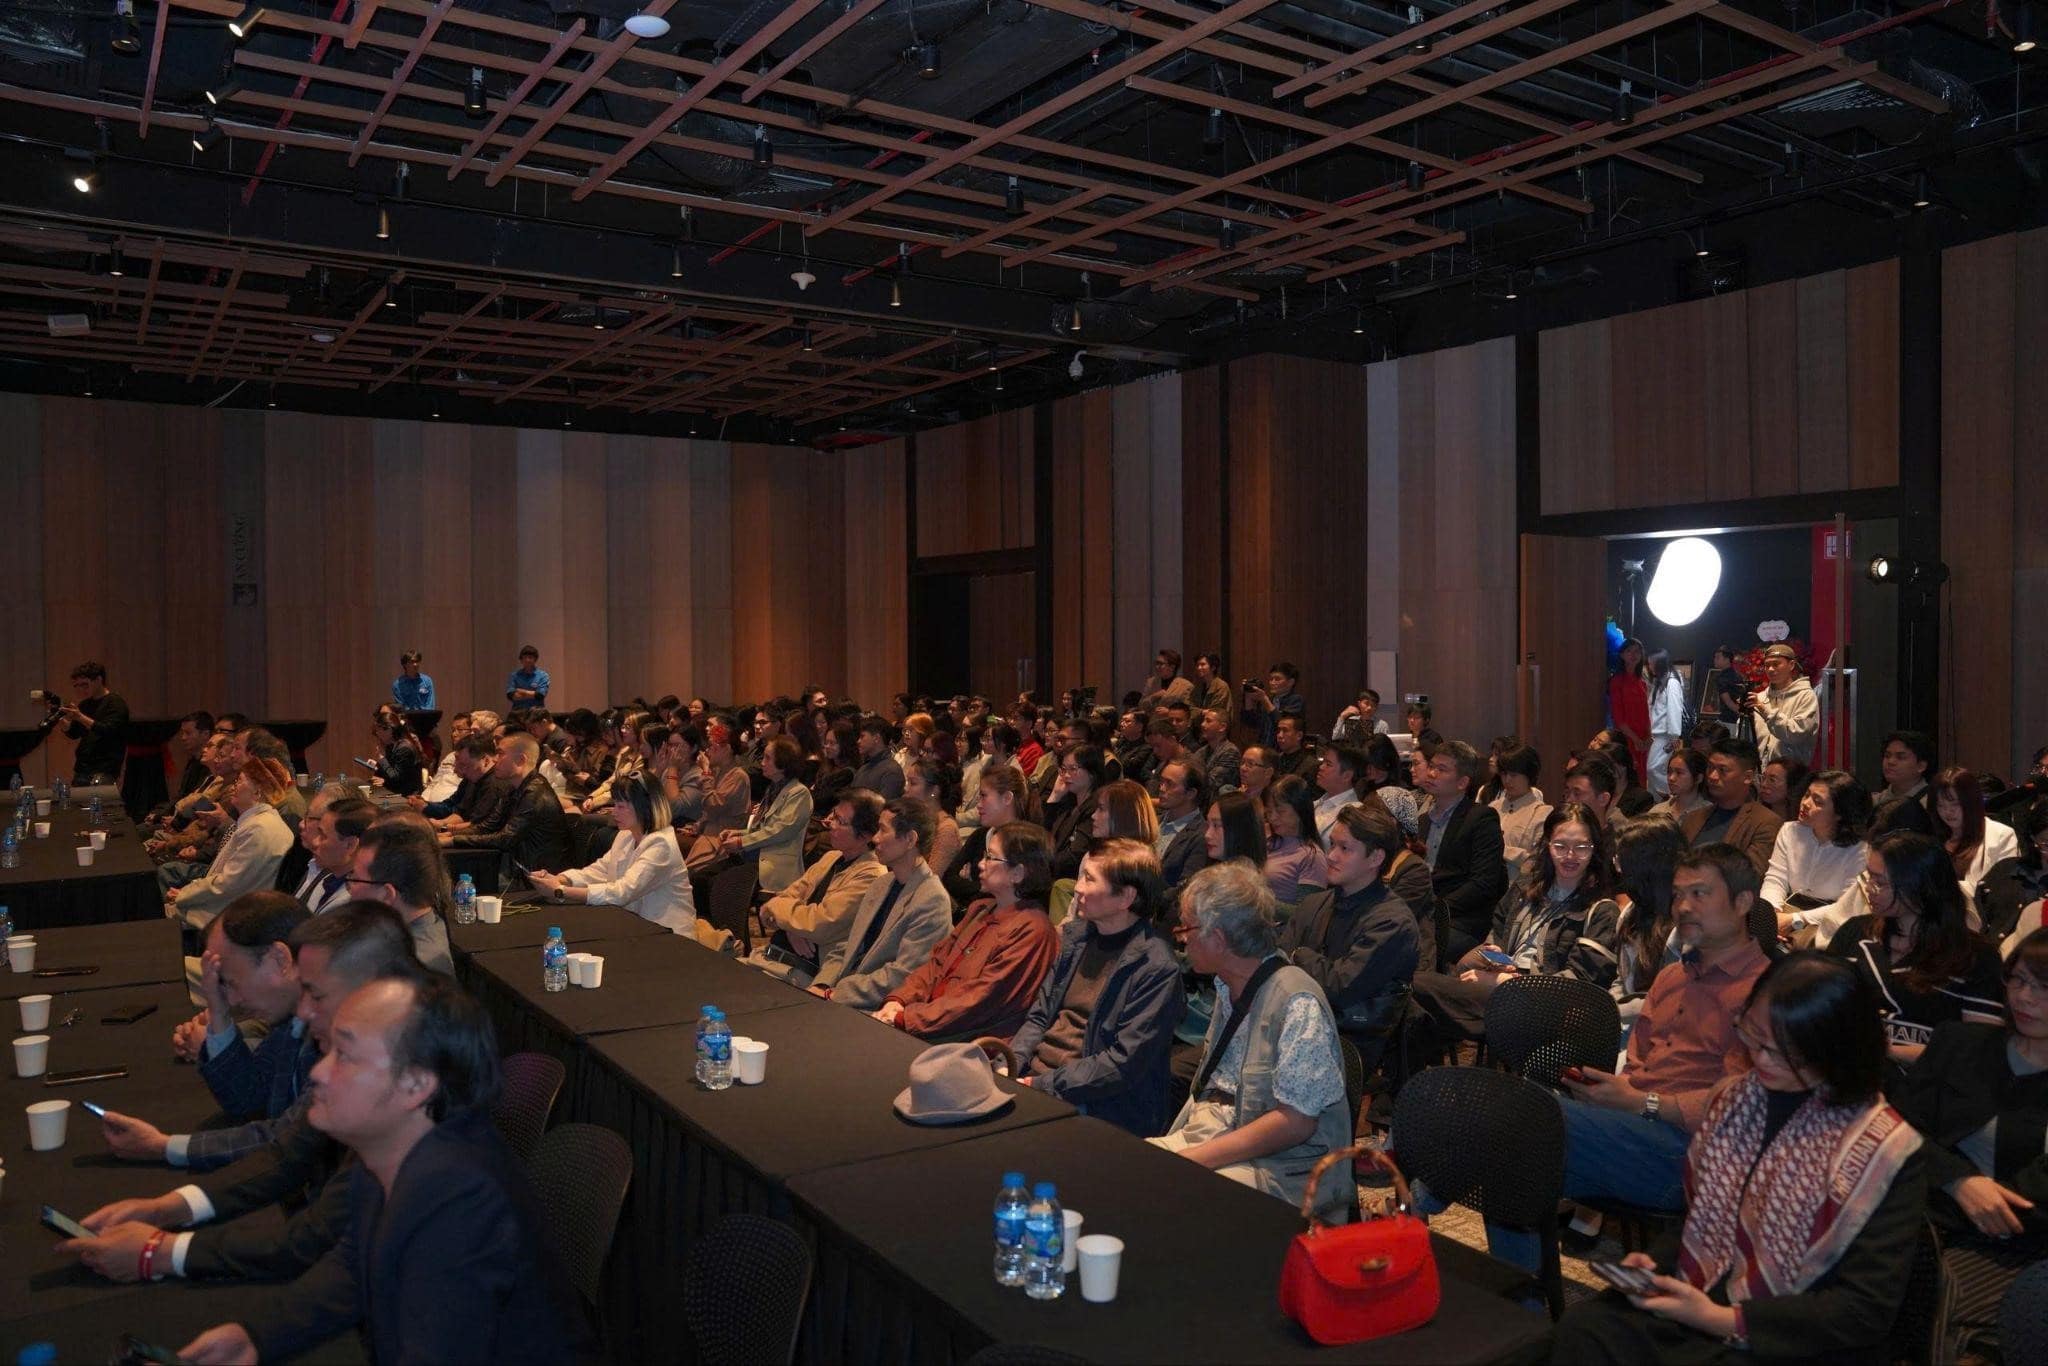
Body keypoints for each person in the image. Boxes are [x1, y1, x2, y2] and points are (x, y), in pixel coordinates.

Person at [174, 974, 595, 1366]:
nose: (319, 1072)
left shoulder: (461, 1203)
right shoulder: (392, 1149)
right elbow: (352, 1266)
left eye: (344, 1056)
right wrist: (256, 1337)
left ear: (416, 1084)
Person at [1550, 952, 1927, 1366]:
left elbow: (1863, 1310)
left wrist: (1724, 1319)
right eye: (1753, 1037)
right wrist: (1655, 1265)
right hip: (1708, 1296)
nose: (1760, 1059)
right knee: (1587, 1331)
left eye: (1783, 1052)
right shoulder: (1739, 1100)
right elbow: (1704, 1219)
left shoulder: (1883, 1149)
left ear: (1836, 1053)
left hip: (1791, 1332)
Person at [1425, 845, 1772, 1276]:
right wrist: (1611, 1091)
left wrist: (1643, 1103)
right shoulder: (1671, 977)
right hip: (1630, 1131)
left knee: (1522, 1115)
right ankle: (1521, 1297)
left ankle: (1420, 1198)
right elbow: (1639, 1069)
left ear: (1743, 902)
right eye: (1678, 895)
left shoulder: (1767, 993)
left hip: (1693, 1157)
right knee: (1513, 1154)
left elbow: (1745, 1107)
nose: (1683, 906)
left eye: (1700, 894)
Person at [66, 903, 424, 1284]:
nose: (303, 1011)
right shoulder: (361, 1047)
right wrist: (162, 1209)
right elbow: (283, 1149)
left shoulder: (406, 1092)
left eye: (316, 995)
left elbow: (311, 1238)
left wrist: (162, 1251)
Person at [1153, 862, 1356, 1218]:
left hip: (1287, 1169)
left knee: (1173, 1200)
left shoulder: (1296, 1002)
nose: (1181, 938)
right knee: (1127, 1169)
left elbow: (1296, 1123)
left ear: (1218, 939)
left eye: (1185, 928)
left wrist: (1194, 1159)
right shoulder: (1228, 984)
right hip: (1224, 1129)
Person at [1891, 928, 2048, 1359]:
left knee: (1940, 1305)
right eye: (2018, 980)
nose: (2024, 997)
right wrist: (1957, 1181)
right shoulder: (1959, 1043)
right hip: (1922, 1215)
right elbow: (1894, 1129)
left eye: (2043, 987)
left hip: (2017, 1245)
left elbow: (2031, 1201)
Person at [1012, 839, 1186, 1135]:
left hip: (1094, 1104)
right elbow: (1040, 1016)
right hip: (1039, 1082)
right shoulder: (1077, 939)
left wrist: (1040, 1085)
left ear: (1126, 897)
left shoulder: (1156, 968)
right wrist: (1011, 1064)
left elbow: (1120, 1064)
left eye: (1089, 879)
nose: (1078, 888)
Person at [1411, 804, 1621, 1042]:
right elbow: (1499, 929)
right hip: (1502, 990)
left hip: (1544, 1009)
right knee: (1414, 996)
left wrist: (1506, 982)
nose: (1570, 856)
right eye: (1560, 846)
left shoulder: (1601, 911)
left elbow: (1578, 984)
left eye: (1581, 847)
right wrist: (1493, 960)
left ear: (1594, 849)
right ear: (1548, 845)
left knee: (1418, 990)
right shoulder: (1526, 888)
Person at [1824, 831, 2004, 1068]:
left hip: (1927, 1083)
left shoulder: (1975, 957)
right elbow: (1820, 1010)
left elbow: (1980, 1052)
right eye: (1868, 877)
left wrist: (1888, 1051)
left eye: (1880, 882)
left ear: (1920, 887)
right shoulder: (1855, 933)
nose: (1869, 888)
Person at [877, 821, 1060, 1041]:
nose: (981, 864)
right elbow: (936, 965)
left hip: (969, 1043)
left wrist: (906, 1018)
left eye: (991, 858)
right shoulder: (981, 909)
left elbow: (981, 1000)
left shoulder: (1033, 931)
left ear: (1018, 873)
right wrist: (899, 1001)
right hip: (927, 1024)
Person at [1278, 801, 1418, 1049]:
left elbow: (1340, 987)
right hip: (1294, 1024)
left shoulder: (1393, 923)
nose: (1331, 856)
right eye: (1332, 844)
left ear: (1375, 857)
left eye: (1344, 848)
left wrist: (1299, 955)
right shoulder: (1314, 904)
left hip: (1348, 1041)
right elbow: (1278, 962)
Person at [810, 798, 952, 1009]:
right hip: (842, 993)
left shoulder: (932, 900)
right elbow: (848, 946)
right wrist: (823, 983)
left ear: (910, 839)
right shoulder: (881, 884)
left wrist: (837, 993)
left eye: (883, 830)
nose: (875, 838)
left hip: (875, 1008)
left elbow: (903, 975)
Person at [526, 775, 693, 936]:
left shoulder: (661, 843)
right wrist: (559, 879)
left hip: (671, 936)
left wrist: (560, 891)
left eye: (621, 806)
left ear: (644, 807)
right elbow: (599, 871)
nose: (614, 812)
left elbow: (622, 892)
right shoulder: (626, 835)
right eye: (615, 805)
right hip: (640, 928)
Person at [751, 790, 888, 980]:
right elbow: (779, 901)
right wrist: (792, 928)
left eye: (840, 821)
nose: (831, 824)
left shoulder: (871, 875)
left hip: (802, 973)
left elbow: (819, 924)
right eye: (833, 815)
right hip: (769, 957)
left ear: (865, 835)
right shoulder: (831, 857)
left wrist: (785, 917)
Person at [165, 758, 298, 933]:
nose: (234, 786)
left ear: (257, 792)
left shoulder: (259, 829)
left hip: (236, 917)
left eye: (240, 781)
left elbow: (229, 884)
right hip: (237, 905)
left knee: (162, 916)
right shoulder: (259, 822)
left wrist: (185, 894)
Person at [1416, 739, 1510, 962]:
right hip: (1423, 914)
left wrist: (1438, 910)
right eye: (1431, 766)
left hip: (1461, 920)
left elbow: (1483, 883)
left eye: (1442, 769)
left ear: (1462, 782)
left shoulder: (1481, 818)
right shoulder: (1422, 821)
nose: (1431, 773)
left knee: (1412, 948)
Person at [443, 733, 571, 884]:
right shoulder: (513, 788)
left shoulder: (535, 793)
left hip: (535, 878)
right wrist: (448, 836)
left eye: (500, 753)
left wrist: (453, 840)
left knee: (459, 875)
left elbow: (505, 839)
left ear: (520, 760)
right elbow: (488, 826)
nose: (494, 759)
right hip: (515, 869)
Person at [350, 818, 455, 974]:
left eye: (354, 880)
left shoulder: (404, 972)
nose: (349, 889)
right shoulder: (408, 930)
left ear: (387, 894)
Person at [1761, 769, 1872, 916]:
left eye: (1817, 801)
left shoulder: (1860, 850)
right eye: (1807, 795)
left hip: (1833, 922)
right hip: (1786, 913)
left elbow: (1847, 906)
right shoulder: (1790, 831)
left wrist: (1795, 920)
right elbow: (1775, 879)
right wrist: (1771, 913)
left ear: (1840, 813)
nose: (1805, 803)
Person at [1612, 816, 1687, 1026]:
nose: (1617, 869)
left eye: (1621, 862)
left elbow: (1672, 1003)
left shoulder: (1688, 926)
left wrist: (1606, 1012)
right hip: (1628, 1024)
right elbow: (1621, 982)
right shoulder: (1630, 914)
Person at [714, 736, 812, 893]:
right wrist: (738, 833)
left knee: (714, 884)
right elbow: (762, 828)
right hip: (754, 858)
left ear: (782, 764)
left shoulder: (799, 793)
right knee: (703, 878)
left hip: (774, 864)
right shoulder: (773, 788)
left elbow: (779, 831)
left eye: (767, 758)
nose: (762, 763)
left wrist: (741, 842)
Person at [1679, 739, 1782, 877]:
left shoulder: (1765, 823)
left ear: (1748, 777)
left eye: (1723, 770)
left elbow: (1748, 876)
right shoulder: (1693, 817)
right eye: (1710, 768)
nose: (1712, 776)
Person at [1931, 765, 2020, 890]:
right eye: (1941, 805)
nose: (1947, 812)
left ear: (1972, 801)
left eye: (1955, 804)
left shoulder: (2001, 835)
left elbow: (2003, 888)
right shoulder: (1933, 836)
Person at [53, 659, 130, 786]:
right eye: (77, 685)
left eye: (84, 684)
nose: (81, 689)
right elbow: (74, 733)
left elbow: (108, 731)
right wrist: (59, 718)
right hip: (82, 769)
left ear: (99, 680)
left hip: (105, 769)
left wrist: (80, 717)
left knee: (99, 798)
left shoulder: (115, 703)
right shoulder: (85, 704)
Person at [1745, 642, 1818, 765]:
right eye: (1767, 665)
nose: (1770, 669)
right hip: (1759, 770)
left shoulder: (1805, 696)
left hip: (1791, 771)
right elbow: (1748, 738)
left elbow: (1797, 733)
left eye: (1776, 664)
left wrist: (1765, 711)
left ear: (1791, 665)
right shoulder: (1760, 698)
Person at [1261, 775, 1328, 904]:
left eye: (1280, 811)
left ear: (1300, 810)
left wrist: (1257, 900)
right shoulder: (1267, 839)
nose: (1272, 818)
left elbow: (1306, 911)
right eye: (1268, 812)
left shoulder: (1311, 857)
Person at [1047, 744, 1107, 880]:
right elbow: (1044, 834)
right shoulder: (1068, 800)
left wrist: (1041, 866)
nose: (1066, 775)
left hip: (1072, 878)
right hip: (1054, 870)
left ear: (1092, 772)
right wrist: (1054, 796)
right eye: (1063, 769)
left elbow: (1074, 856)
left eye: (1073, 769)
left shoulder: (1096, 807)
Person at [1490, 742, 1551, 869]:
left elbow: (1537, 861)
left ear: (1529, 775)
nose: (1507, 780)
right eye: (1504, 774)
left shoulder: (1542, 813)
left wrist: (1500, 849)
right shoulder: (1492, 808)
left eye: (1513, 775)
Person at [1154, 758, 1212, 893]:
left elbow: (1185, 889)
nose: (1161, 788)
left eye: (1169, 784)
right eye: (1161, 782)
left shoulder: (1202, 835)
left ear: (1190, 793)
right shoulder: (1152, 822)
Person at [904, 758, 962, 878]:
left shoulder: (946, 828)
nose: (906, 788)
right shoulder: (914, 819)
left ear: (934, 791)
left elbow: (931, 878)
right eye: (907, 782)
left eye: (913, 783)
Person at [1608, 638, 1651, 785]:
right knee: (1629, 777)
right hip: (1626, 738)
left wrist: (1648, 736)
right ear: (1622, 655)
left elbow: (1646, 713)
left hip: (1643, 740)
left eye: (1637, 651)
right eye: (1629, 651)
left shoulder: (1642, 682)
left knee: (1642, 778)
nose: (1634, 655)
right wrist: (1636, 740)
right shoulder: (1617, 681)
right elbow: (1618, 718)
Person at [1645, 649, 1687, 796]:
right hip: (1658, 734)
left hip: (1665, 735)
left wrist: (1674, 735)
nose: (1649, 667)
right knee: (1655, 769)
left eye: (1652, 663)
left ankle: (1671, 795)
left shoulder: (1672, 682)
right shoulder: (1660, 682)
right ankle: (1656, 799)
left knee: (1654, 768)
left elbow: (1674, 708)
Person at [1240, 661, 1305, 749]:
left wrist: (1264, 699)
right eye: (1271, 679)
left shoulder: (1296, 700)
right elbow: (1251, 722)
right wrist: (1248, 696)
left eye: (1277, 679)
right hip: (1265, 748)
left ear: (1290, 682)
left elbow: (1281, 723)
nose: (1272, 682)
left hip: (1284, 750)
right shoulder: (1269, 700)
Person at [367, 704, 425, 798]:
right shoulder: (391, 746)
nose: (377, 734)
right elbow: (391, 772)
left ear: (389, 730)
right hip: (396, 791)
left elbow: (395, 778)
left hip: (408, 796)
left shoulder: (404, 748)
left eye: (379, 731)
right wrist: (377, 766)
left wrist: (382, 759)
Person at [1311, 745, 1366, 842]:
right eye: (1323, 762)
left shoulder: (1356, 812)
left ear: (1347, 776)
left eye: (1328, 764)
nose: (1321, 767)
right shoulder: (1315, 804)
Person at [851, 716, 906, 799]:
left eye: (862, 736)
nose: (858, 741)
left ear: (876, 738)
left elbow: (885, 805)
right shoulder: (864, 767)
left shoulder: (891, 771)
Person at [1190, 706, 1241, 793]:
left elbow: (1212, 784)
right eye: (1203, 720)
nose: (1202, 724)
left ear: (1222, 727)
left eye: (1208, 721)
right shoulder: (1202, 750)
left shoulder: (1230, 752)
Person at [1650, 748, 1709, 822]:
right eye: (1669, 771)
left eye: (1679, 773)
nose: (1671, 778)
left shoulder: (1708, 814)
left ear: (1698, 778)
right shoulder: (1657, 812)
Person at [1878, 730, 1936, 805]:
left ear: (1921, 766)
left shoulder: (1933, 803)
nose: (1890, 762)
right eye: (1887, 756)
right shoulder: (1874, 802)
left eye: (1900, 757)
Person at [1755, 757, 1808, 824]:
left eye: (1772, 780)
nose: (1763, 784)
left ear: (1792, 785)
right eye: (1763, 778)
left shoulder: (1803, 823)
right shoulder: (1755, 816)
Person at [504, 645, 549, 709]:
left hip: (536, 712)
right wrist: (532, 694)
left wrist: (521, 691)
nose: (527, 660)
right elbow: (510, 695)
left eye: (530, 657)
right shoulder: (514, 675)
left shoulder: (543, 676)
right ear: (521, 660)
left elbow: (540, 696)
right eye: (525, 657)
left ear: (535, 659)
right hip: (517, 712)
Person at [1190, 651, 1232, 716]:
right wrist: (1202, 712)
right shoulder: (1198, 687)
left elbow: (1215, 712)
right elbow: (1190, 709)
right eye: (1197, 665)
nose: (1199, 668)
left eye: (1203, 664)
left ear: (1213, 667)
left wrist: (1198, 712)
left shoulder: (1221, 686)